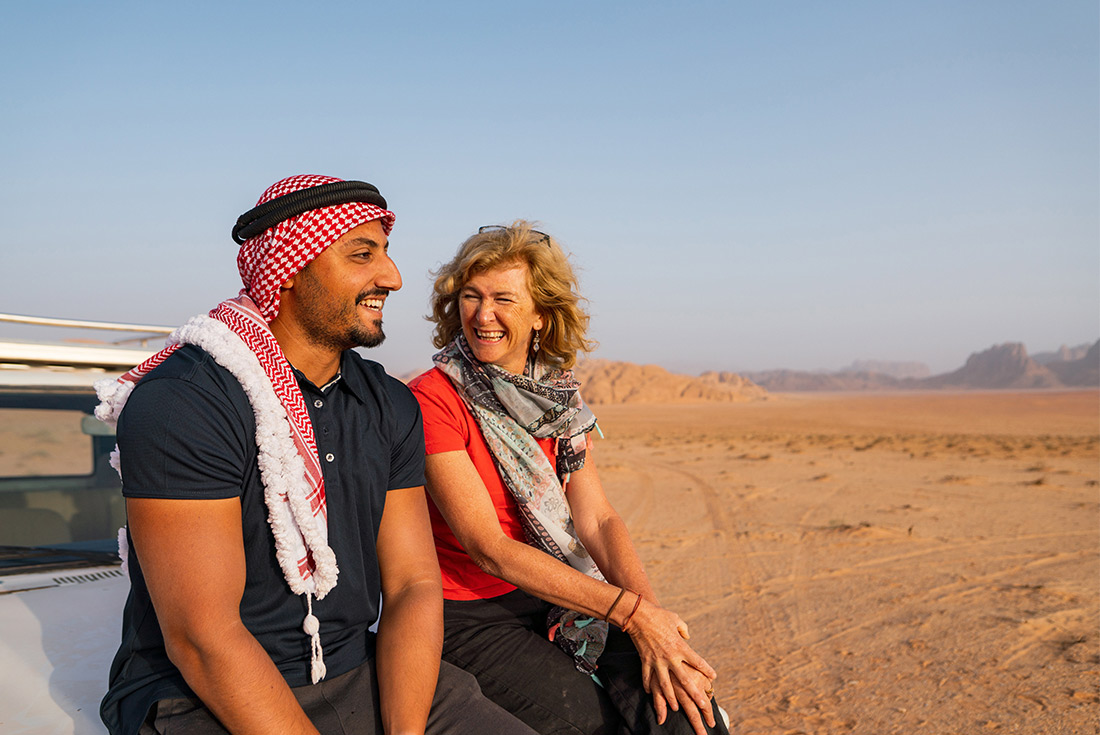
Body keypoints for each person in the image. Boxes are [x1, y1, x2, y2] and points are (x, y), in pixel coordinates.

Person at [96, 176, 535, 735]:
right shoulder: (187, 401)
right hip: (201, 698)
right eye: (362, 255)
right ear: (289, 269)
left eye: (386, 252)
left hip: (354, 672)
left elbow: (412, 585)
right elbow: (203, 640)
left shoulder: (389, 404)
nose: (392, 277)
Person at [408, 221, 730, 735]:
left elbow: (597, 519)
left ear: (540, 314)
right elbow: (488, 547)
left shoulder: (558, 400)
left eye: (504, 299)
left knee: (686, 712)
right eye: (471, 296)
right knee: (602, 725)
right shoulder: (433, 399)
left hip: (562, 593)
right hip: (472, 613)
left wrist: (653, 622)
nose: (483, 315)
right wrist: (632, 615)